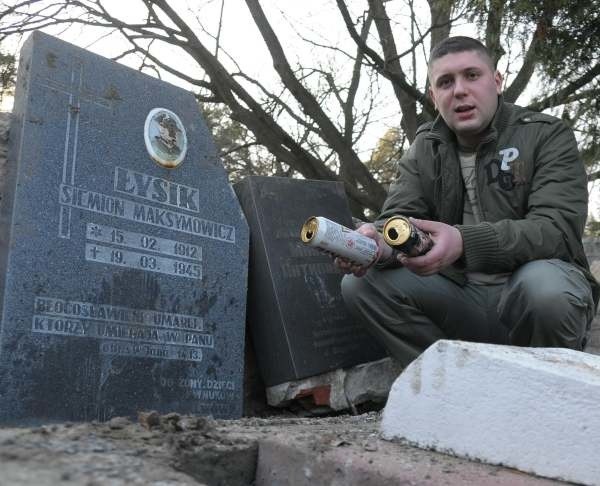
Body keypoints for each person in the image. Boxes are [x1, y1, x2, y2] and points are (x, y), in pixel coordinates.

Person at [339, 36, 599, 367]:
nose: (459, 90)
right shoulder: (424, 149)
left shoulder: (546, 135)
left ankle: (545, 395)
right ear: (434, 97)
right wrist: (379, 244)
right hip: (463, 299)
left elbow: (556, 231)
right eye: (445, 82)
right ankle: (453, 387)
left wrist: (463, 242)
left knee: (544, 290)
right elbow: (399, 220)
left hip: (531, 297)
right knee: (361, 286)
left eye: (472, 75)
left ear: (497, 81)